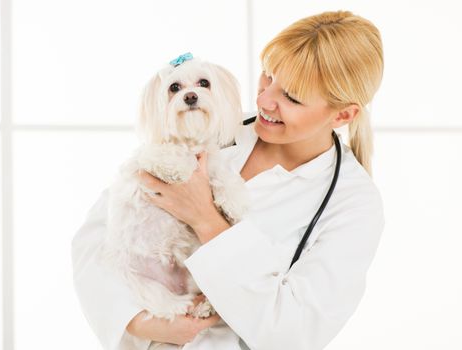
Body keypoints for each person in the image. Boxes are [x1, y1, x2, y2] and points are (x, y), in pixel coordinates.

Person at [71, 9, 385, 350]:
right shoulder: (210, 125)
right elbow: (96, 239)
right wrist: (140, 323)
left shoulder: (353, 203)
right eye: (268, 77)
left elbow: (294, 332)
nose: (264, 100)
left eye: (291, 96)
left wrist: (204, 218)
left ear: (343, 114)